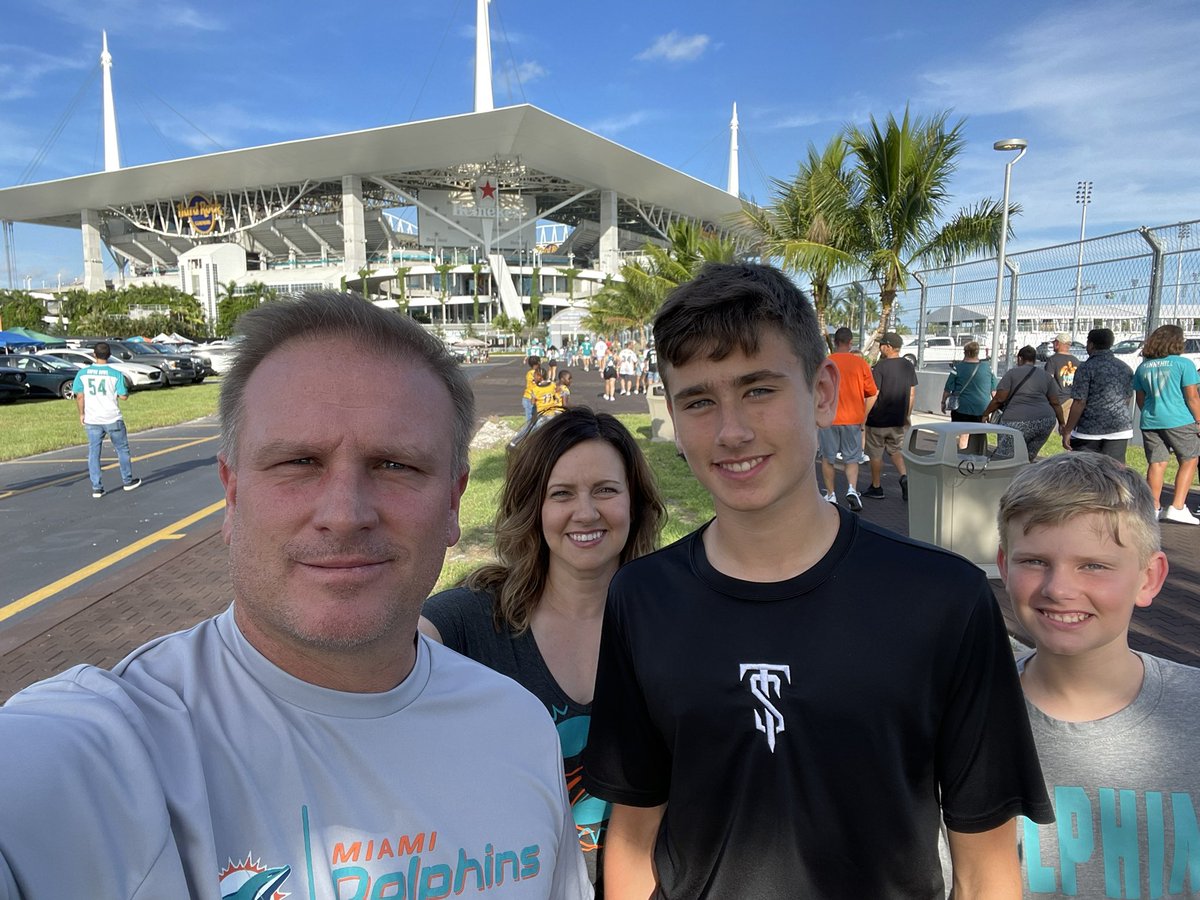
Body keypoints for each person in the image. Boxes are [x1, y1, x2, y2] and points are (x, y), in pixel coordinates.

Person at [0, 292, 591, 899]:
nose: (345, 513)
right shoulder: (118, 747)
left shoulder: (518, 727)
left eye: (395, 465)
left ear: (452, 502)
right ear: (232, 494)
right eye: (299, 461)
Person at [583, 263, 1051, 899]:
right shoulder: (642, 599)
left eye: (758, 389)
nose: (731, 431)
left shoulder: (943, 599)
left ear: (823, 391)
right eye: (698, 401)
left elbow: (985, 866)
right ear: (673, 414)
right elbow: (635, 833)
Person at [421, 407, 666, 895]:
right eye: (562, 494)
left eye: (606, 490)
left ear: (634, 502)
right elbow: (377, 663)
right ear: (534, 506)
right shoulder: (471, 620)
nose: (586, 512)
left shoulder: (672, 620)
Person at [995, 451, 1197, 899]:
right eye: (1034, 561)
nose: (1059, 589)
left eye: (1094, 565)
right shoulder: (962, 718)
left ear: (1149, 577)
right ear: (1004, 566)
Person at [1133, 324, 1200, 524]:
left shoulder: (1143, 367)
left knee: (1157, 462)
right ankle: (1177, 507)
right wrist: (1199, 419)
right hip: (1179, 419)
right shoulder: (1184, 364)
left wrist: (1152, 412)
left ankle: (1153, 507)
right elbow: (1192, 397)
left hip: (1151, 420)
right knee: (1189, 459)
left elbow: (1140, 399)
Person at [73, 341, 142, 498]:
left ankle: (97, 487)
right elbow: (123, 396)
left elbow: (80, 396)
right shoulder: (115, 374)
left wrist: (82, 414)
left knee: (94, 452)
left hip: (92, 418)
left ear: (94, 355)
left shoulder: (83, 373)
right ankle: (127, 480)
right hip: (112, 417)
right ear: (109, 355)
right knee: (122, 449)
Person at [819, 326, 877, 510]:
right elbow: (872, 392)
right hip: (853, 419)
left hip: (829, 418)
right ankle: (852, 489)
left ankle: (831, 495)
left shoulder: (825, 363)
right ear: (850, 342)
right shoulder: (860, 364)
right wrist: (863, 416)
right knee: (852, 458)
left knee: (828, 458)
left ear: (834, 342)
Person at [982, 345, 1065, 462]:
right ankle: (1026, 470)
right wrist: (1062, 423)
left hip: (1015, 421)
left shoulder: (1012, 373)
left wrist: (986, 413)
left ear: (1020, 358)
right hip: (1045, 421)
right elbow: (1055, 403)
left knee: (1006, 458)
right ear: (1034, 360)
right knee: (1028, 457)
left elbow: (999, 399)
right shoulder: (1046, 376)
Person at [1062, 328, 1134, 462]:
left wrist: (1068, 430)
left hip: (1089, 431)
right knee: (1114, 469)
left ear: (1091, 344)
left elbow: (1079, 402)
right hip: (1119, 429)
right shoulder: (1125, 367)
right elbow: (1127, 398)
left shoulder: (1086, 368)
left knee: (1084, 469)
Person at [864, 331, 918, 500]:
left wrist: (864, 415)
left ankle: (876, 486)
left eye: (882, 345)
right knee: (895, 450)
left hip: (878, 420)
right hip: (898, 419)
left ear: (888, 347)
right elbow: (912, 394)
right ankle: (904, 476)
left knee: (875, 454)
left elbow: (874, 393)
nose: (880, 347)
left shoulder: (880, 367)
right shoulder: (908, 366)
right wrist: (907, 415)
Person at [941, 341, 996, 452]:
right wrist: (993, 409)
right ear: (977, 352)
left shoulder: (957, 368)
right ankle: (979, 455)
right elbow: (994, 391)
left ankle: (963, 456)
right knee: (979, 434)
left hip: (961, 407)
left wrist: (943, 402)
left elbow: (947, 389)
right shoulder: (988, 369)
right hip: (982, 408)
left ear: (965, 352)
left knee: (963, 434)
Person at [1043, 332, 1080, 419]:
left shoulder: (1053, 360)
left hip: (1058, 402)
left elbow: (1048, 381)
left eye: (1054, 342)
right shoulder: (1076, 361)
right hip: (1073, 401)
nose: (1053, 344)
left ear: (1057, 343)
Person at [523, 354, 543, 421]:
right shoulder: (533, 373)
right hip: (529, 397)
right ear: (538, 363)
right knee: (530, 419)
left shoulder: (533, 372)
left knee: (535, 418)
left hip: (533, 397)